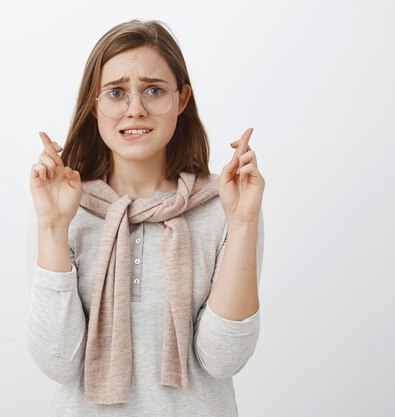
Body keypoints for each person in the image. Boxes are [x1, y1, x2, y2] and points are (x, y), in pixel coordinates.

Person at [26, 19, 265, 417]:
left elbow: (224, 360)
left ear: (181, 99)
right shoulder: (62, 206)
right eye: (116, 92)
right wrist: (52, 227)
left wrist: (242, 225)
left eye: (154, 90)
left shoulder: (227, 205)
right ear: (94, 104)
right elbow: (58, 362)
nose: (135, 109)